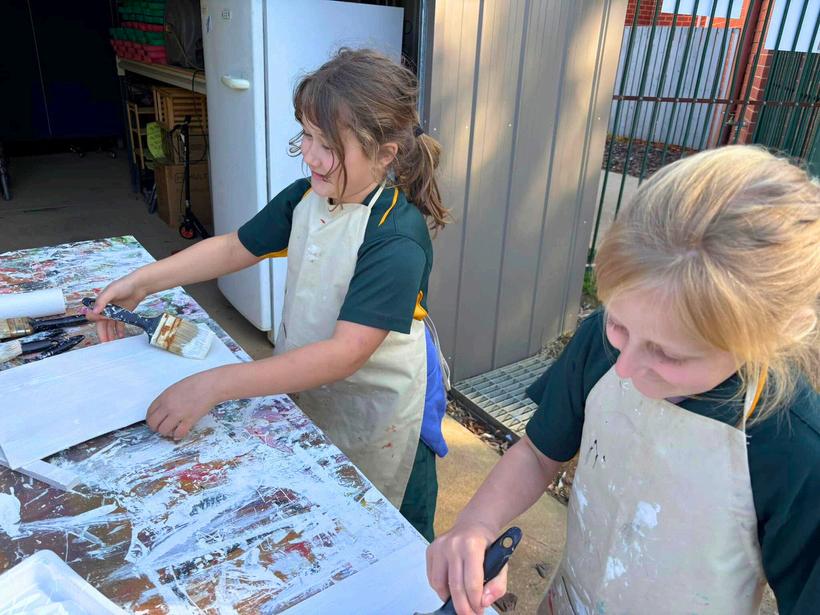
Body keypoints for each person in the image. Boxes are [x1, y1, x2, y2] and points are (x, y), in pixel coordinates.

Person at [425, 146, 820, 614]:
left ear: (772, 334)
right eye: (617, 322)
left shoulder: (795, 446)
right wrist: (476, 524)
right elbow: (536, 453)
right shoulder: (601, 342)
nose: (626, 367)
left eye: (669, 354)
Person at [88, 49, 450, 540]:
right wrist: (143, 281)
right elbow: (234, 247)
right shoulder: (307, 197)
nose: (310, 155)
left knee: (389, 536)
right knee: (321, 517)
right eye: (307, 134)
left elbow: (345, 354)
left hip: (380, 418)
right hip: (310, 388)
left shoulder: (395, 237)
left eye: (329, 144)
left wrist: (215, 384)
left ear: (385, 154)